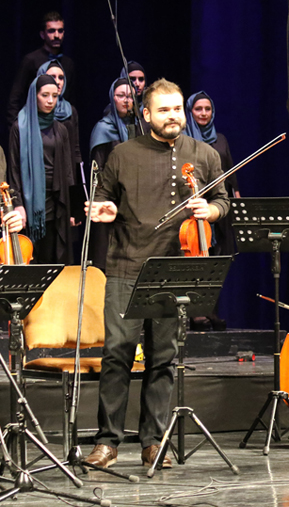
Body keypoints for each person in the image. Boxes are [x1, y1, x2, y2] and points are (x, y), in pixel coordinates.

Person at [84, 78, 230, 470]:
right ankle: (107, 442)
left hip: (176, 268)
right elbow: (104, 199)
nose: (173, 116)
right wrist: (105, 211)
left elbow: (223, 199)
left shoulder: (203, 154)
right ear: (146, 114)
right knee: (117, 354)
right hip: (127, 266)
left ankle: (153, 442)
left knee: (163, 358)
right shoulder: (122, 154)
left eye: (177, 109)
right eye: (164, 110)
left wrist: (212, 211)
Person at [184, 91, 239, 331]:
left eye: (207, 109)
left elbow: (230, 172)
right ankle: (194, 312)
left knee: (216, 261)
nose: (204, 113)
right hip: (194, 206)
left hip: (218, 205)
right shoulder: (184, 139)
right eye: (198, 109)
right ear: (190, 112)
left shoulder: (220, 139)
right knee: (195, 260)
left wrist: (235, 196)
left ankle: (211, 310)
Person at [7, 75, 75, 264]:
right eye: (45, 95)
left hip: (56, 200)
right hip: (31, 203)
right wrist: (18, 204)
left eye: (54, 96)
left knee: (54, 255)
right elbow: (14, 170)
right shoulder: (19, 127)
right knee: (33, 256)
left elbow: (68, 170)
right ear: (34, 95)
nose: (50, 101)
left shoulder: (60, 129)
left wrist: (73, 208)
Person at [87, 78, 137, 272]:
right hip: (109, 199)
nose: (126, 100)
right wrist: (103, 198)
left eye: (130, 96)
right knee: (106, 256)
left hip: (134, 199)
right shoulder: (103, 128)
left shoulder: (139, 127)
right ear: (112, 98)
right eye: (120, 96)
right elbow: (97, 169)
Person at [7, 12, 76, 128]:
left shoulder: (68, 63)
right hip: (35, 122)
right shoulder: (31, 60)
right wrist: (16, 128)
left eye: (60, 31)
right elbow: (15, 97)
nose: (56, 35)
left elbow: (71, 98)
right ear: (42, 34)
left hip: (61, 124)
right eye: (51, 31)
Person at [36, 60, 82, 174]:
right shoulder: (34, 112)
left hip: (66, 169)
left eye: (61, 78)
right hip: (42, 169)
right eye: (52, 77)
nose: (57, 82)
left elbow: (75, 148)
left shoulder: (70, 110)